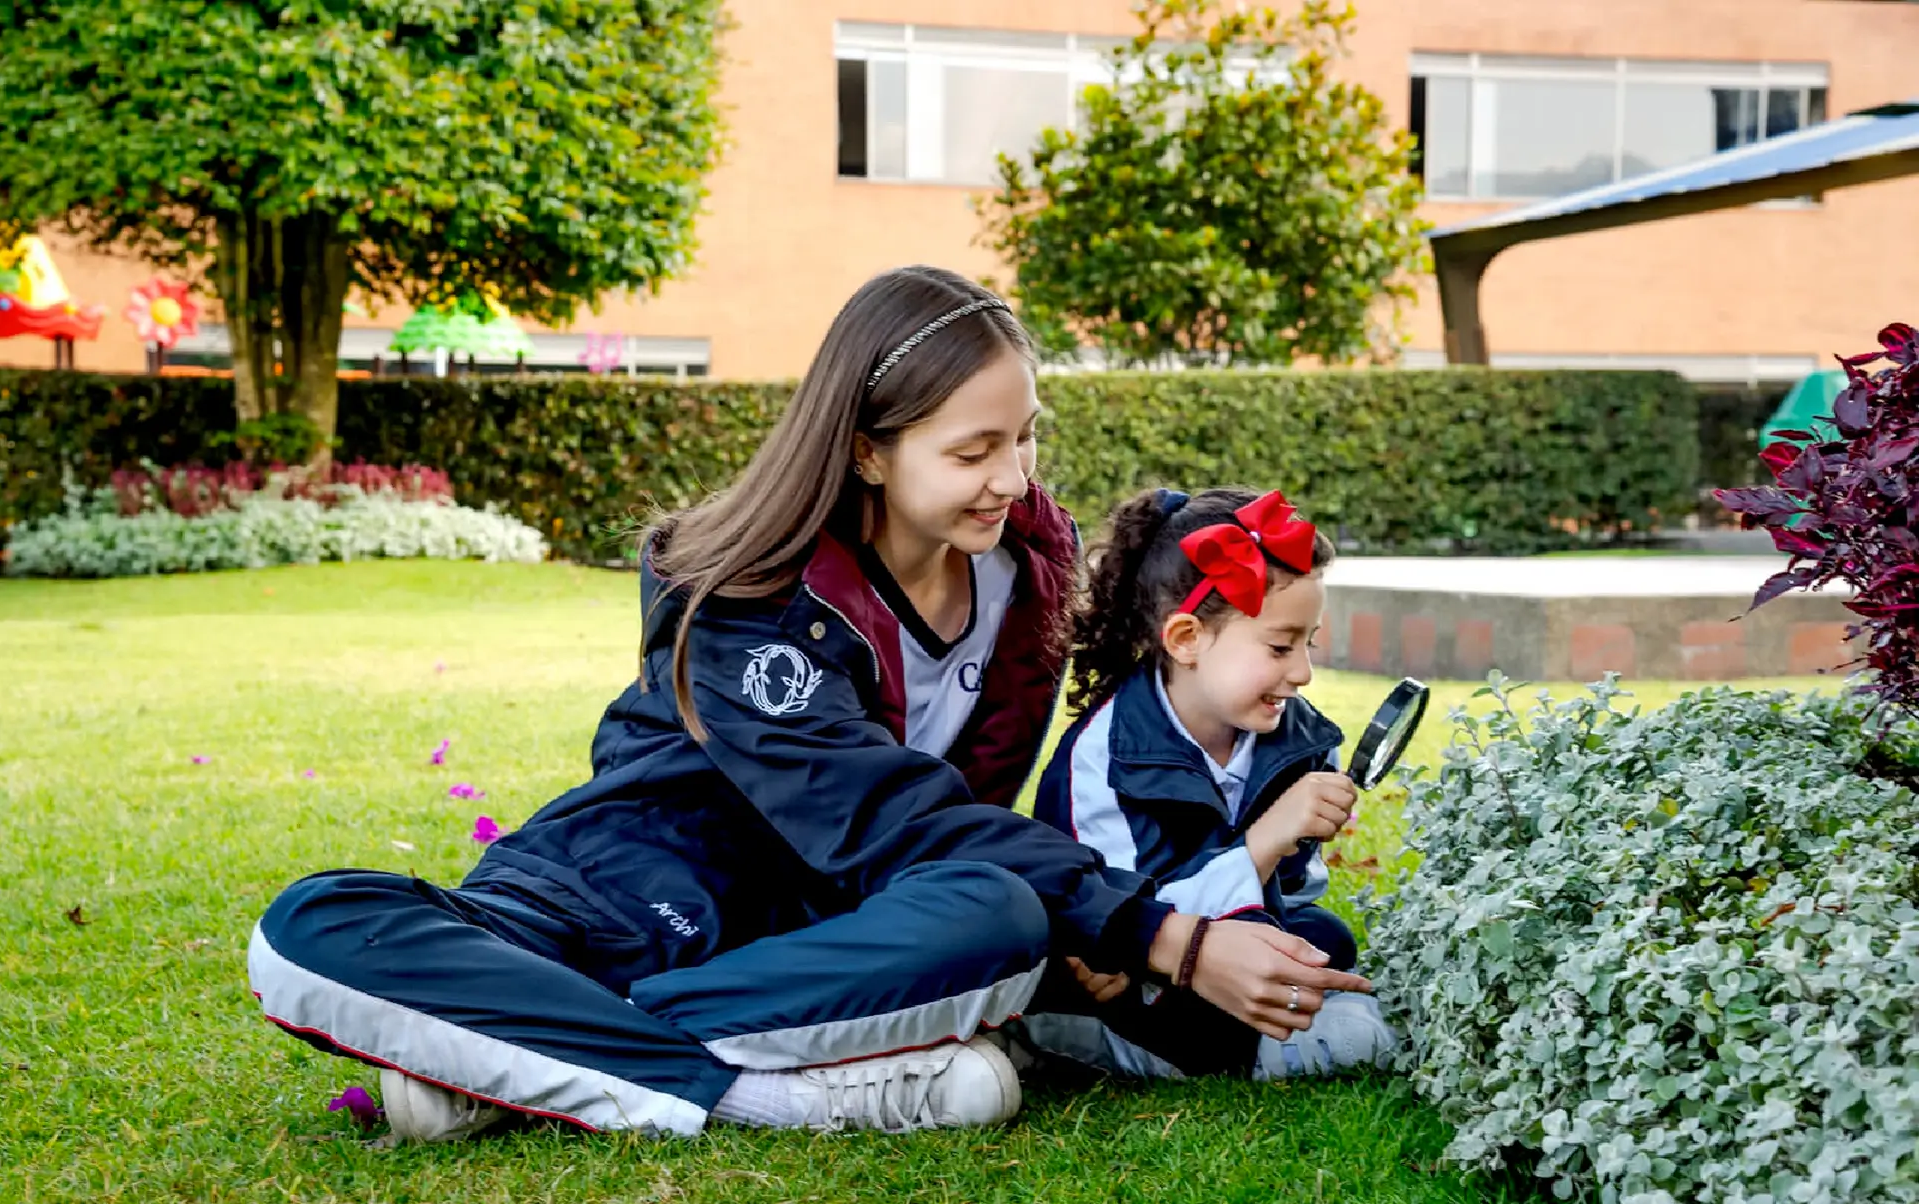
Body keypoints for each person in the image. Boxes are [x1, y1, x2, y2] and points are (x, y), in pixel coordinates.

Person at [246, 268, 1372, 1142]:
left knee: (1004, 916)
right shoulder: (747, 598)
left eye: (1025, 438)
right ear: (868, 453)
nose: (1014, 478)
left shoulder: (1025, 568)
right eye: (974, 449)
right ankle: (751, 1092)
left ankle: (521, 1065)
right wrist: (1165, 935)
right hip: (616, 909)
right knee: (310, 928)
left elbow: (949, 840)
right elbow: (885, 818)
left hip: (821, 946)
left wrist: (1115, 924)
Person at [1020, 487, 1398, 1082]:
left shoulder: (1298, 739)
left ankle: (1284, 1022)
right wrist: (1266, 840)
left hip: (1232, 938)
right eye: (1279, 646)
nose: (1302, 672)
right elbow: (1132, 923)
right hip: (1126, 971)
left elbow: (1296, 894)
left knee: (1324, 936)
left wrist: (1290, 867)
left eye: (1309, 643)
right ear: (1187, 639)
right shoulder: (1105, 758)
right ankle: (1113, 1045)